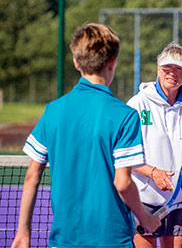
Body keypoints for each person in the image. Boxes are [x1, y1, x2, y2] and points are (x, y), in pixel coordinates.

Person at [11, 23, 161, 248]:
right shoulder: (125, 115)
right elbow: (122, 183)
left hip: (64, 241)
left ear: (76, 62)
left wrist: (23, 232)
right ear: (113, 62)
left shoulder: (53, 110)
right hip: (112, 240)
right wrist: (146, 219)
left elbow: (32, 174)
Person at [127, 42, 182, 248]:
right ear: (158, 70)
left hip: (179, 201)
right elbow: (125, 154)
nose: (172, 73)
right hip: (143, 200)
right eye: (167, 67)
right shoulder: (137, 104)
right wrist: (153, 172)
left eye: (179, 69)